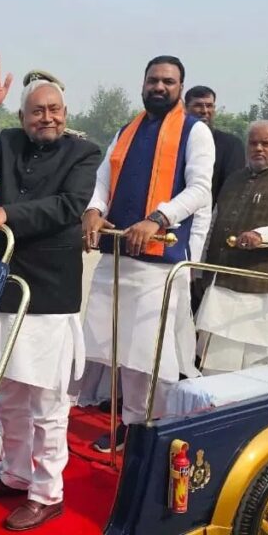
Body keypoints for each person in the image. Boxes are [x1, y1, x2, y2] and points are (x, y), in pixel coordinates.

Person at [0, 56, 101, 531]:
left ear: (65, 112)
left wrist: (6, 214)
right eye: (37, 111)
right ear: (22, 117)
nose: (47, 118)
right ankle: (16, 474)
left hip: (49, 294)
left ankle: (46, 493)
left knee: (47, 404)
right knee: (11, 396)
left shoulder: (83, 153)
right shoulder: (10, 141)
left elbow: (68, 206)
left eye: (54, 109)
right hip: (6, 286)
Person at [81, 55, 214, 452]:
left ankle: (144, 428)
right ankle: (129, 420)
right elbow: (103, 180)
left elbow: (200, 190)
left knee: (146, 354)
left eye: (168, 82)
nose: (159, 87)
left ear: (180, 88)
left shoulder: (194, 131)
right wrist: (93, 210)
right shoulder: (127, 130)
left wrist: (157, 218)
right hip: (116, 254)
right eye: (153, 80)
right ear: (143, 84)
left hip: (159, 261)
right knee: (112, 346)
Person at [196, 120, 268, 372]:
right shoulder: (234, 178)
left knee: (257, 366)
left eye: (266, 144)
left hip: (261, 289)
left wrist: (262, 235)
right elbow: (215, 222)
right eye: (253, 143)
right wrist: (199, 266)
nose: (258, 148)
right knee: (215, 362)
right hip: (221, 284)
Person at [183, 86, 246, 207]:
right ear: (185, 109)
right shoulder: (176, 142)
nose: (204, 111)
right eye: (198, 105)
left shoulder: (231, 145)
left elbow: (233, 189)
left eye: (209, 106)